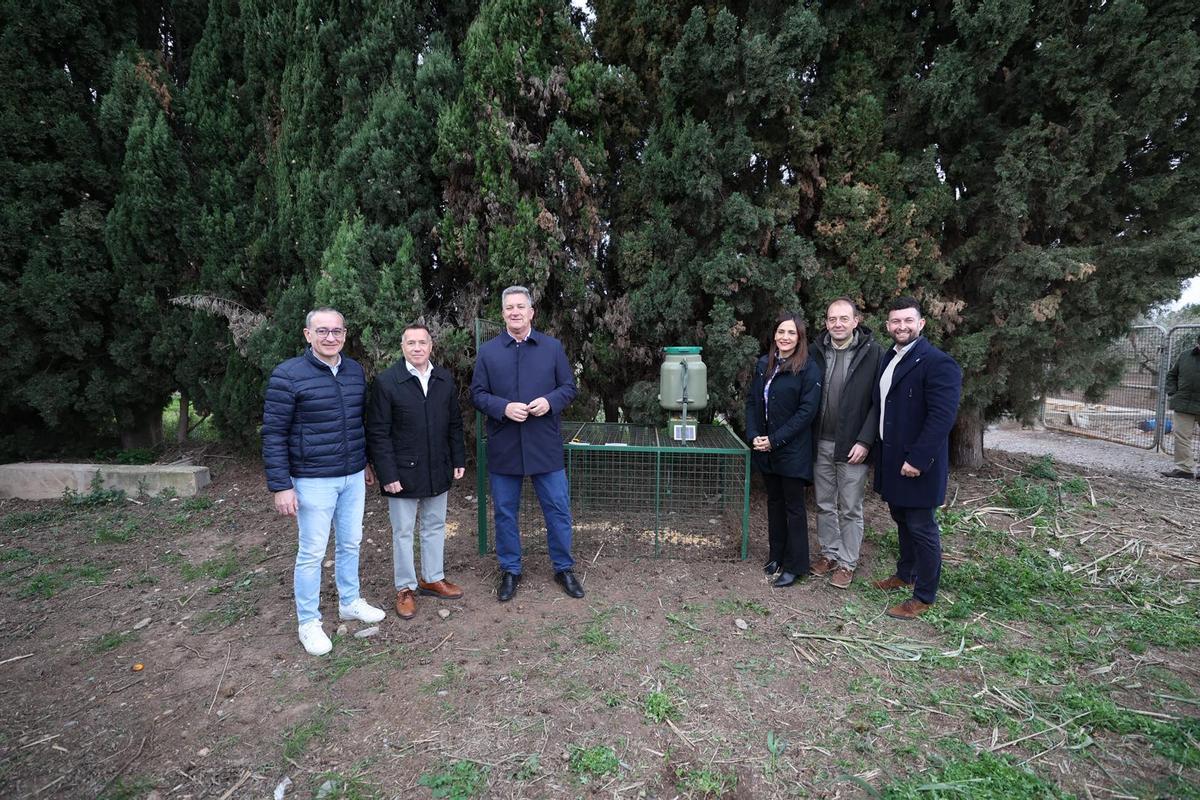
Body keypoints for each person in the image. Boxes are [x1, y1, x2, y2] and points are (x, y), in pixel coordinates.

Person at [262, 308, 386, 656]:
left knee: (351, 542)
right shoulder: (288, 375)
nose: (331, 337)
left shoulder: (353, 371)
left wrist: (364, 463)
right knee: (312, 552)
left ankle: (350, 601)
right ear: (307, 334)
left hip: (351, 477)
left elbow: (357, 422)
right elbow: (273, 434)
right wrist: (281, 486)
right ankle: (308, 622)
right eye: (323, 331)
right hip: (312, 479)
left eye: (337, 331)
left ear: (345, 334)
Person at [470, 286, 582, 602]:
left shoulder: (552, 347)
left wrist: (550, 401)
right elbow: (477, 394)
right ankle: (510, 570)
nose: (515, 312)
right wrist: (503, 407)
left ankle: (563, 568)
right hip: (505, 444)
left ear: (532, 312)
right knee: (505, 512)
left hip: (544, 444)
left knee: (558, 509)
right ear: (503, 313)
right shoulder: (489, 352)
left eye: (521, 306)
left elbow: (569, 388)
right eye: (509, 307)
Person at [366, 323, 467, 620]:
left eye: (422, 342)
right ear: (402, 347)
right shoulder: (387, 382)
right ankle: (405, 588)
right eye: (411, 343)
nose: (417, 348)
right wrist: (388, 474)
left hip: (438, 468)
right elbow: (378, 432)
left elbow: (454, 424)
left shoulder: (444, 380)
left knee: (435, 525)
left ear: (431, 346)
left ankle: (433, 578)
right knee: (403, 532)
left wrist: (458, 458)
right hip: (401, 472)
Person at [871, 296, 962, 620]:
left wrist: (919, 459)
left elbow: (942, 417)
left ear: (921, 324)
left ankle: (923, 595)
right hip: (892, 459)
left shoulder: (938, 363)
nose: (901, 326)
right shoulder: (889, 358)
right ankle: (905, 573)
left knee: (922, 527)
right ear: (888, 326)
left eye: (908, 321)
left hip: (917, 465)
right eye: (895, 321)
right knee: (901, 519)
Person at [809, 298, 883, 589]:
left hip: (853, 445)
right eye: (832, 319)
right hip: (821, 442)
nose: (837, 324)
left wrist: (866, 440)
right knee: (825, 503)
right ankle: (829, 553)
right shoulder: (816, 351)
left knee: (850, 506)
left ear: (856, 321)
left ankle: (847, 562)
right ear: (826, 322)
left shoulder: (873, 353)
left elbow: (878, 403)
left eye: (843, 318)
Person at [745, 312, 823, 588]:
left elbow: (806, 413)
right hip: (766, 449)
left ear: (800, 338)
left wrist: (775, 439)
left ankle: (796, 565)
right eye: (781, 332)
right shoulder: (764, 364)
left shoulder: (808, 369)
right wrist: (754, 434)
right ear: (774, 335)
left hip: (791, 450)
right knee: (774, 503)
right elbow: (753, 403)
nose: (785, 337)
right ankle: (776, 555)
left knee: (794, 508)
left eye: (791, 333)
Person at [1163, 332, 1200, 479]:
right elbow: (1172, 375)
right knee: (1181, 436)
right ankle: (1185, 469)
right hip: (1183, 403)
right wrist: (1172, 392)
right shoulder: (1185, 356)